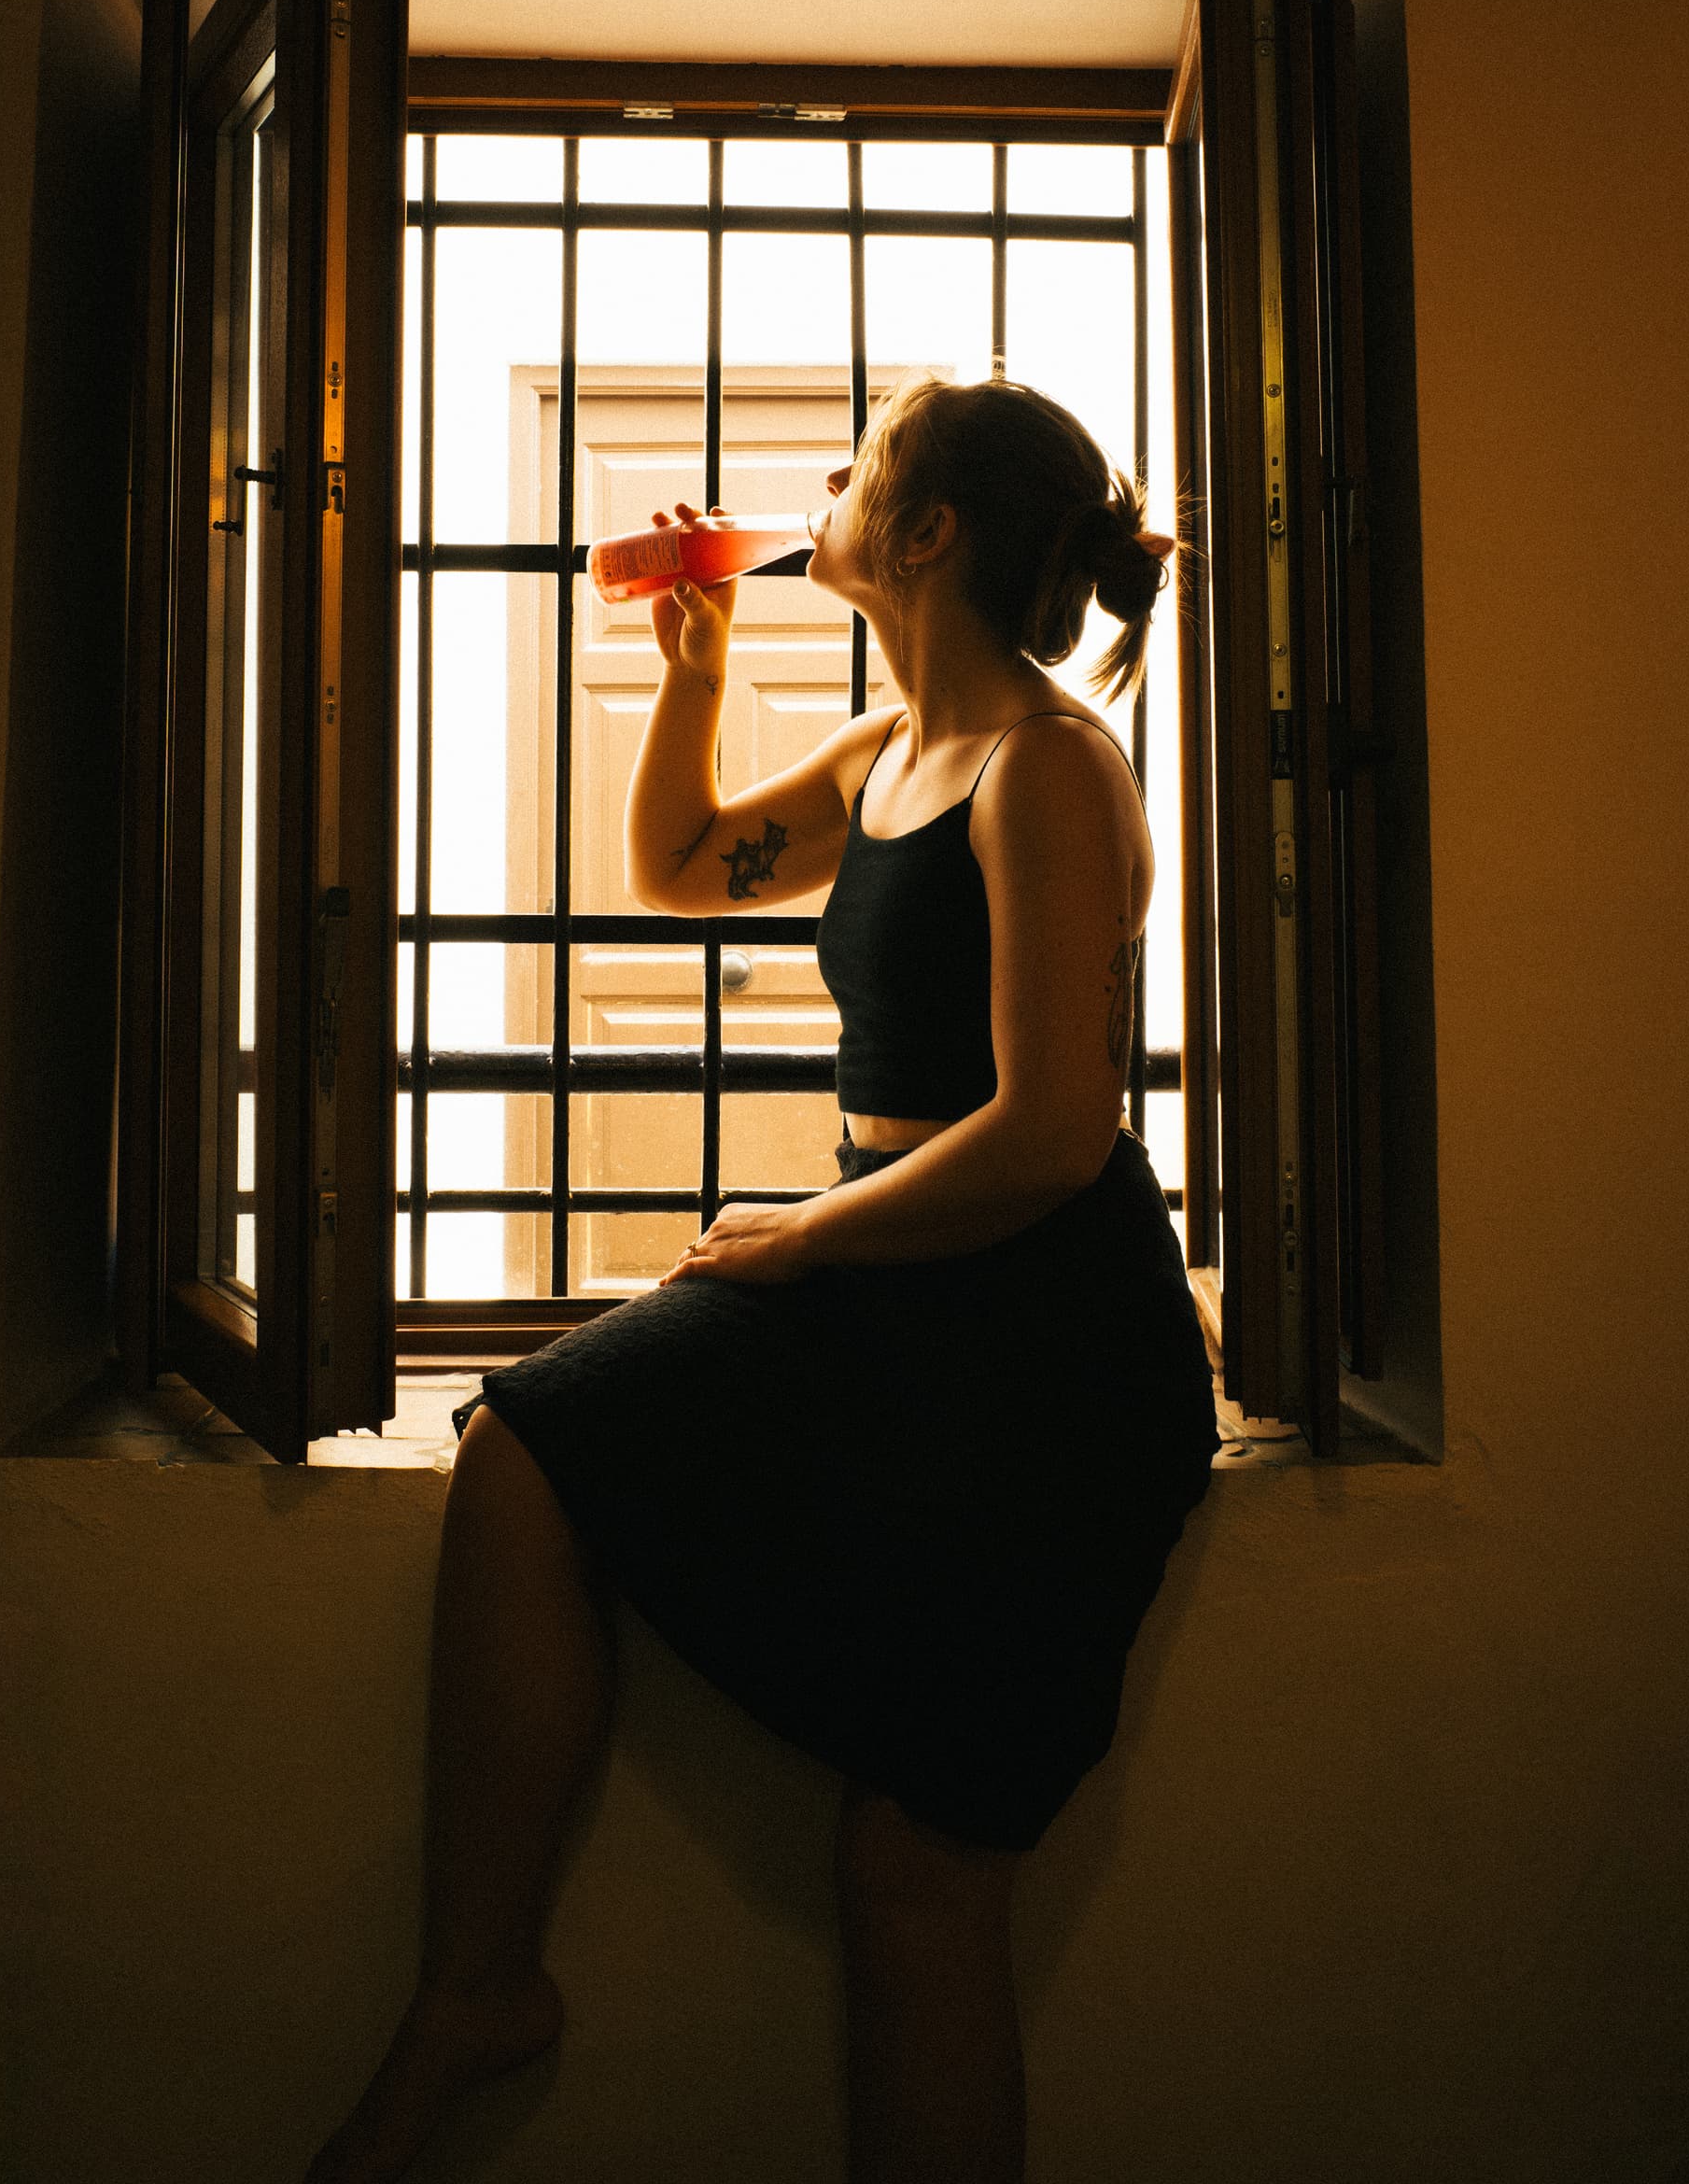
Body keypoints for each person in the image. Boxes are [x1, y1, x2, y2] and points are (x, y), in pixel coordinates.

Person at [304, 373, 1219, 2184]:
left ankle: (480, 2003)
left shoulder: (1048, 767)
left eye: (862, 467)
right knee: (529, 1445)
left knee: (916, 1865)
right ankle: (477, 1994)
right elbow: (675, 869)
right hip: (911, 1278)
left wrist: (802, 1234)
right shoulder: (889, 756)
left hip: (1047, 1340)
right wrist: (696, 674)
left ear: (926, 535)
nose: (828, 483)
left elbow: (1052, 1134)